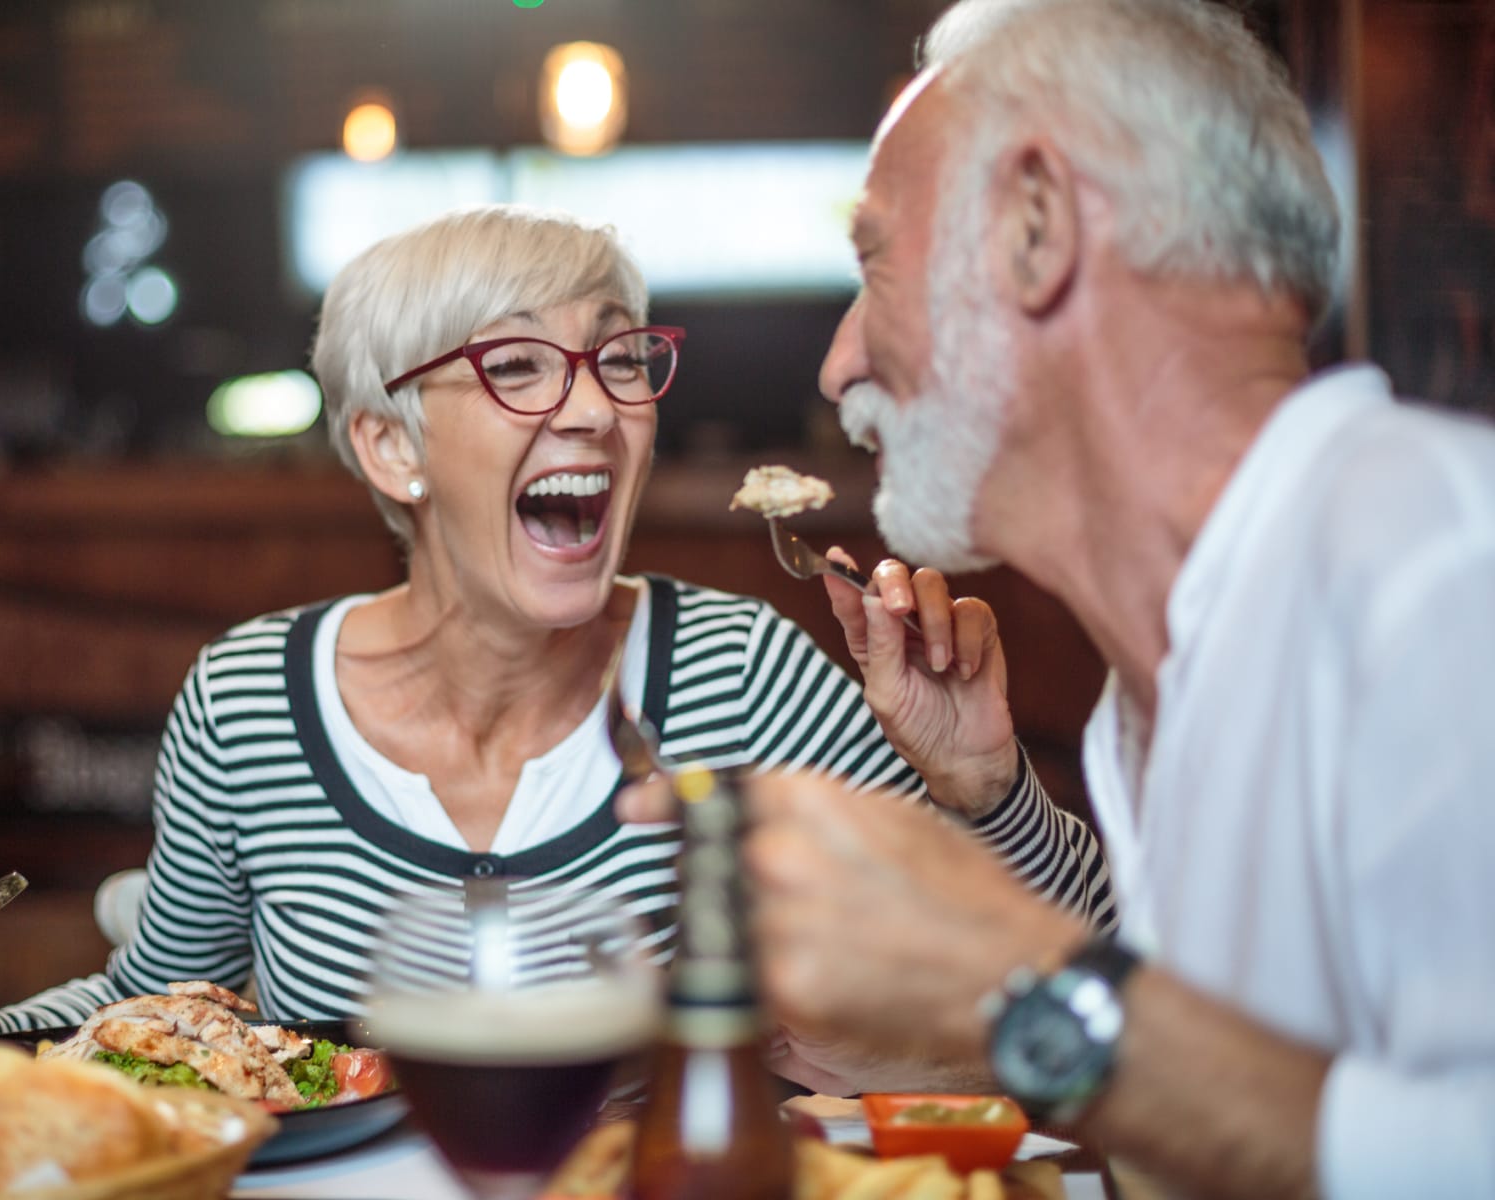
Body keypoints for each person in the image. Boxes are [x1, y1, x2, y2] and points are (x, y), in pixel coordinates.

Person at [0, 204, 1113, 1079]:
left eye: (618, 361)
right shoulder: (249, 703)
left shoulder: (739, 678)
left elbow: (1079, 988)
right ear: (388, 445)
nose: (593, 412)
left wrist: (984, 791)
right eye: (520, 368)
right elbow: (150, 1022)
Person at [626, 0, 1495, 1196]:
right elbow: (1222, 1089)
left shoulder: (1443, 566)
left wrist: (1003, 974)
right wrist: (990, 807)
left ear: (1038, 229)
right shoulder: (1157, 693)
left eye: (875, 260)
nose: (838, 366)